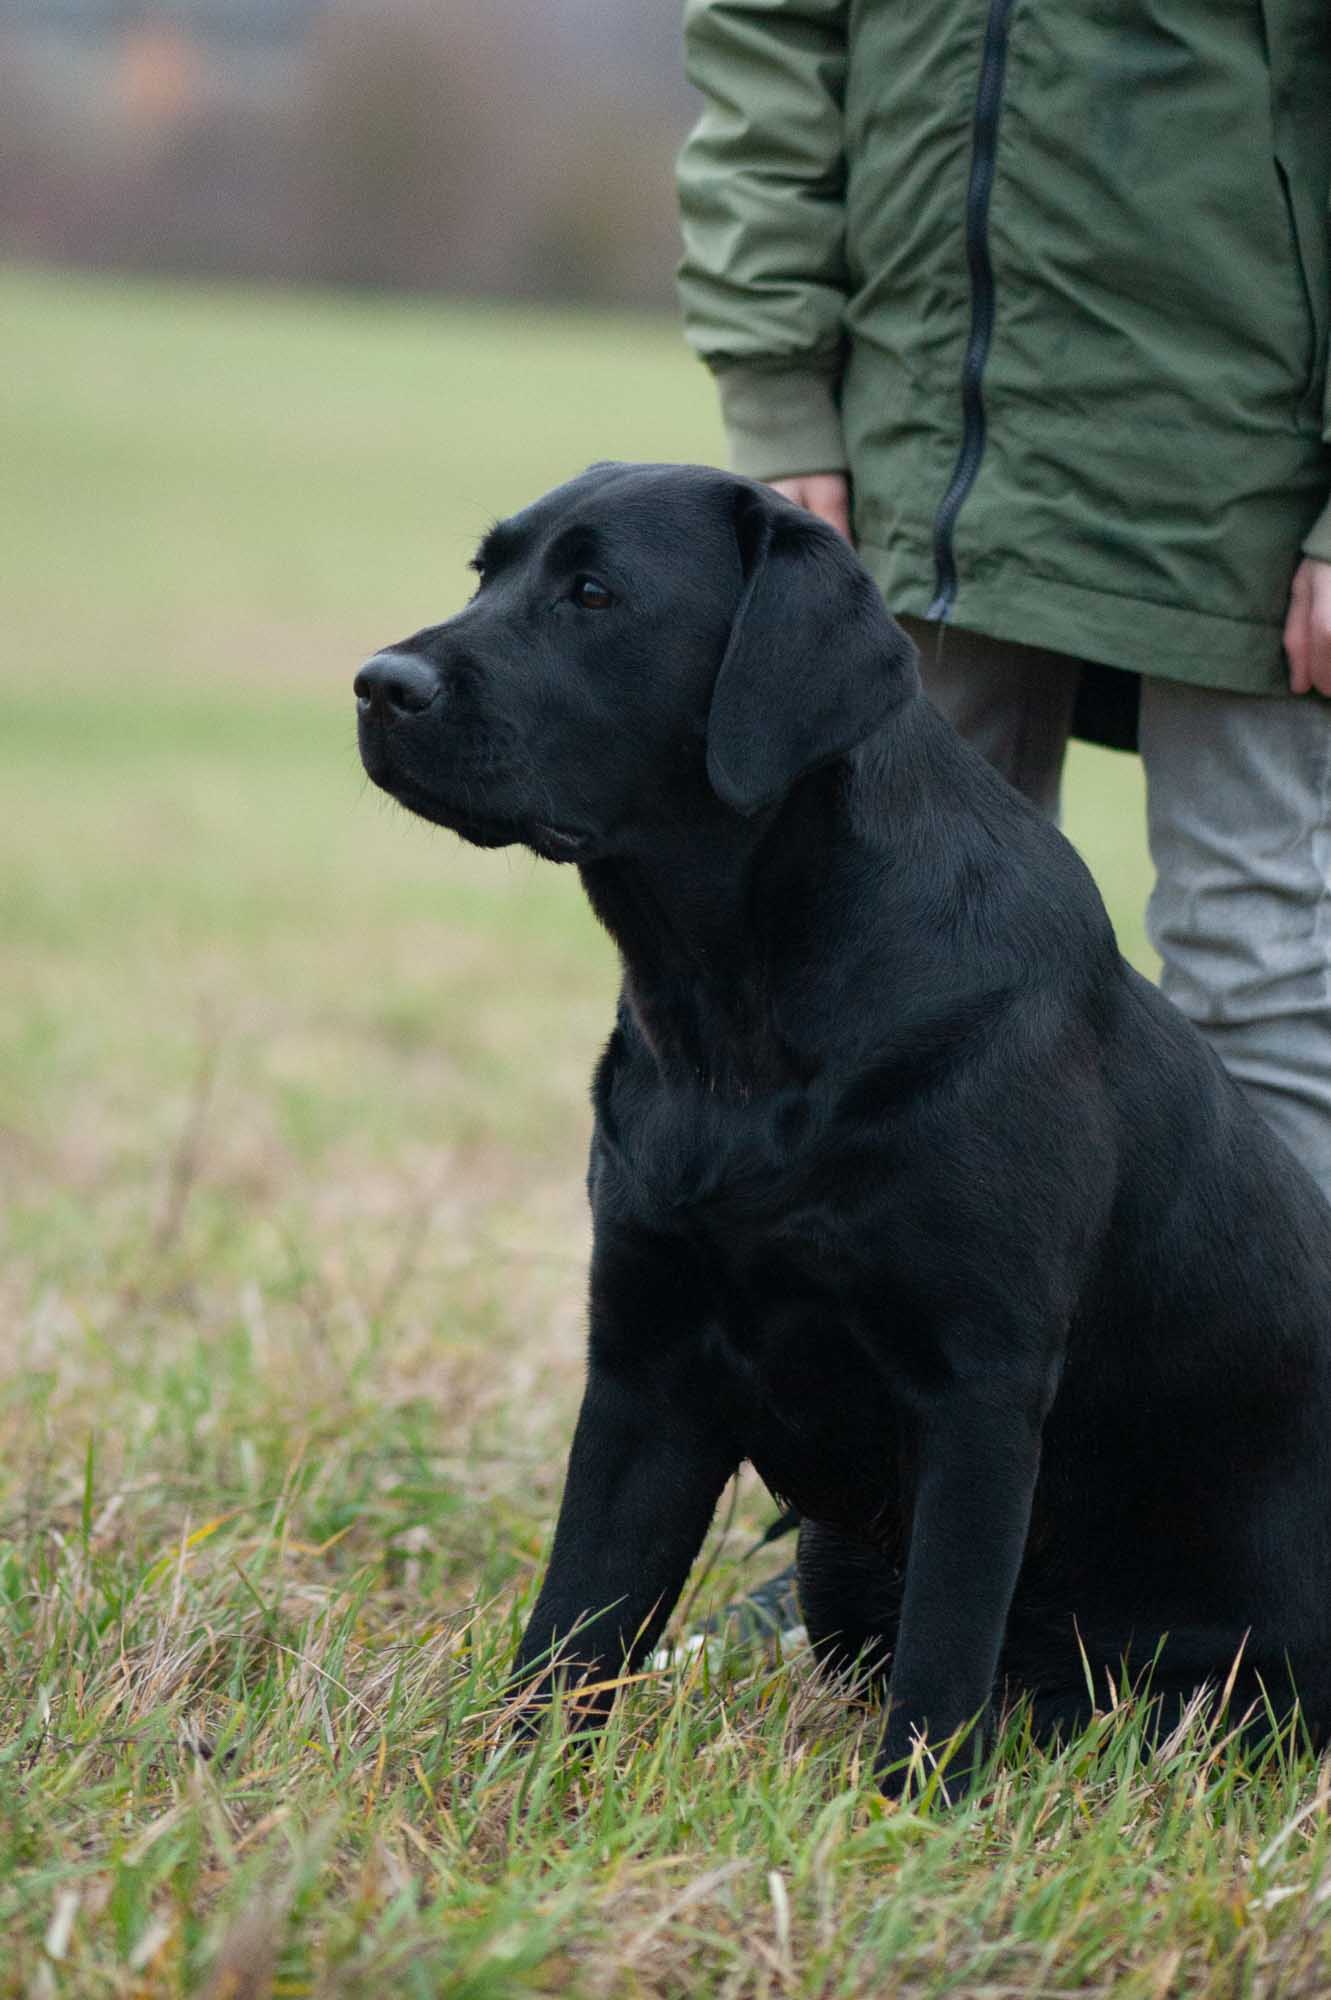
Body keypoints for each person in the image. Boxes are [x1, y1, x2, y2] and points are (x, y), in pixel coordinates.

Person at [675, 0, 1331, 1641]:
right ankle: (879, 1524)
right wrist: (783, 390)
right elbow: (770, 40)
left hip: (1241, 451)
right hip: (917, 449)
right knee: (857, 985)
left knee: (1261, 971)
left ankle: (1272, 1528)